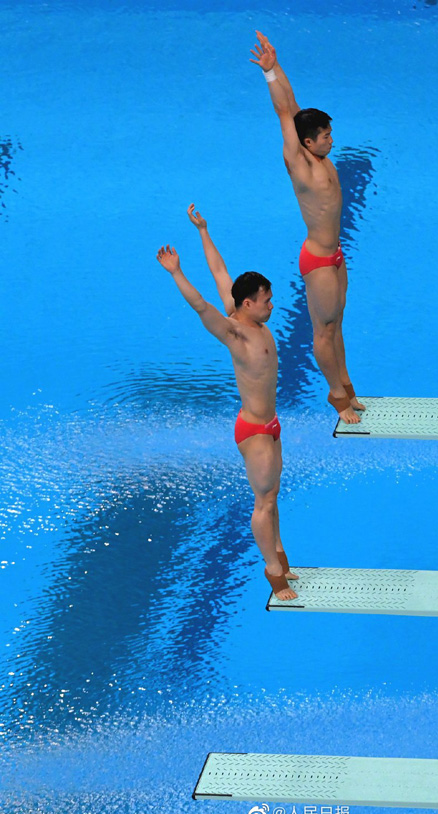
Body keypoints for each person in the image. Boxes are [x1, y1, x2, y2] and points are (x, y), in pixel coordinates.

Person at [156, 204, 298, 600]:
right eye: (266, 300)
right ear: (248, 304)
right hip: (253, 429)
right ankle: (274, 573)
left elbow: (221, 273)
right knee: (263, 503)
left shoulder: (248, 312)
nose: (272, 305)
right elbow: (202, 304)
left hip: (271, 425)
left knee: (272, 498)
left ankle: (280, 555)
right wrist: (176, 272)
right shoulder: (235, 332)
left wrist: (203, 230)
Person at [250, 31, 365, 425]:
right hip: (317, 259)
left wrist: (275, 66)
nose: (332, 140)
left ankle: (348, 386)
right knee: (323, 331)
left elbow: (292, 108)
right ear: (308, 142)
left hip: (335, 254)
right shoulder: (299, 164)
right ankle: (337, 398)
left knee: (337, 327)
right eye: (326, 136)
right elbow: (283, 115)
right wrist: (267, 78)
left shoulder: (317, 154)